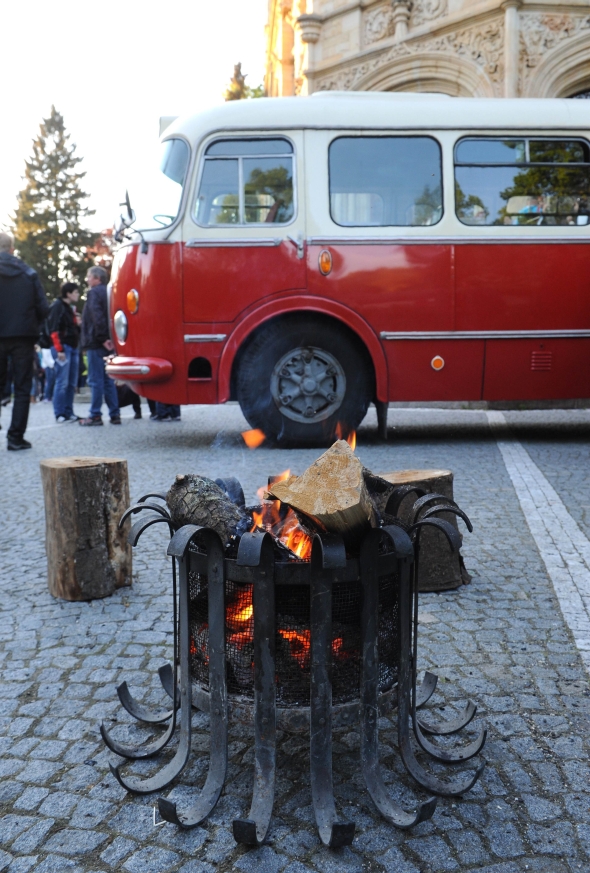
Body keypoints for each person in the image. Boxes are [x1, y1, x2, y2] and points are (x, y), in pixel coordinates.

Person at [0, 231, 49, 450]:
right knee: (22, 388)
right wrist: (31, 323)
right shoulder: (28, 273)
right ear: (12, 249)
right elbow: (43, 308)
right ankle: (15, 438)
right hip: (23, 336)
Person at [79, 266, 120, 426]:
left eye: (89, 276)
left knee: (95, 380)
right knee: (108, 380)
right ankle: (115, 414)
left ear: (97, 278)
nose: (87, 279)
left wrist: (102, 337)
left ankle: (95, 415)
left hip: (96, 341)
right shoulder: (110, 292)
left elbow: (97, 315)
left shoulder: (94, 293)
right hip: (108, 340)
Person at [47, 282, 81, 423]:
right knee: (62, 382)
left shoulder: (69, 308)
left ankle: (68, 411)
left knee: (71, 382)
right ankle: (59, 413)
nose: (78, 295)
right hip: (63, 348)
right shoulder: (58, 306)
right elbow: (53, 329)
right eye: (76, 292)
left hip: (73, 347)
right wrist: (59, 349)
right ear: (68, 293)